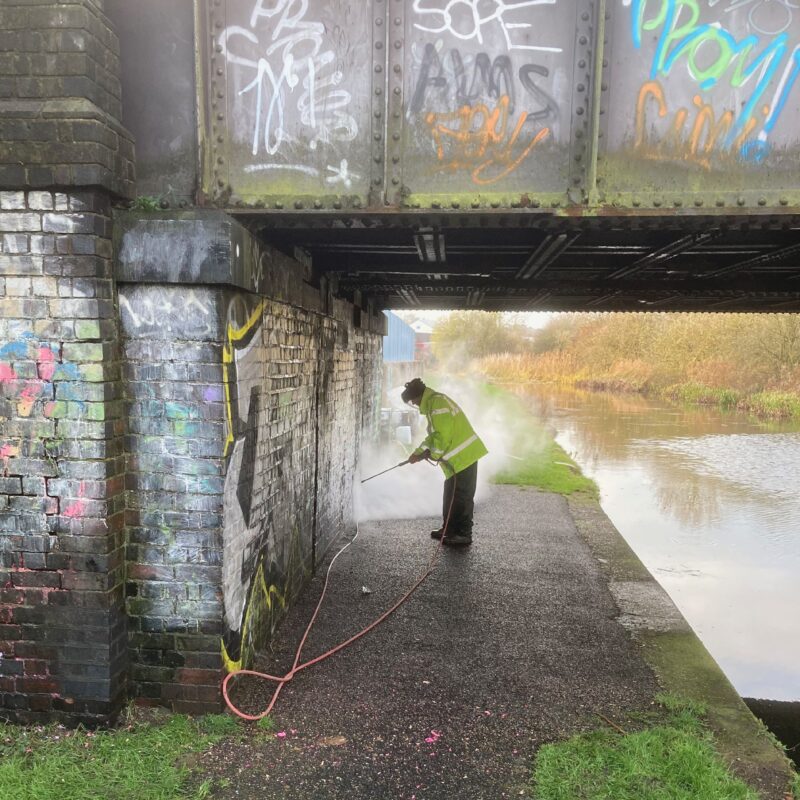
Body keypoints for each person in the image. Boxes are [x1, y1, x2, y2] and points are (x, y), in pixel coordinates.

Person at [400, 378, 487, 546]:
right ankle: (449, 529)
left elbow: (443, 436)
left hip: (465, 457)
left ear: (418, 397)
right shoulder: (433, 403)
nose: (414, 405)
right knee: (450, 495)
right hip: (456, 461)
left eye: (413, 402)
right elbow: (433, 436)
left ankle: (463, 534)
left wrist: (433, 454)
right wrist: (418, 453)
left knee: (462, 496)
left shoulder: (437, 404)